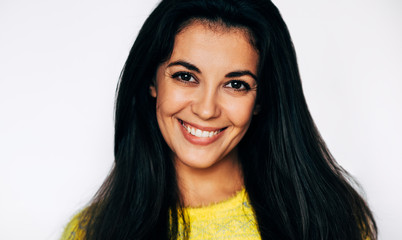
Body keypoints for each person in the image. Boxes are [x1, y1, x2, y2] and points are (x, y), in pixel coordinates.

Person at [61, 0, 377, 239]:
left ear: (261, 99)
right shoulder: (90, 232)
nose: (207, 109)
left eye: (235, 84)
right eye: (185, 76)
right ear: (152, 82)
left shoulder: (331, 219)